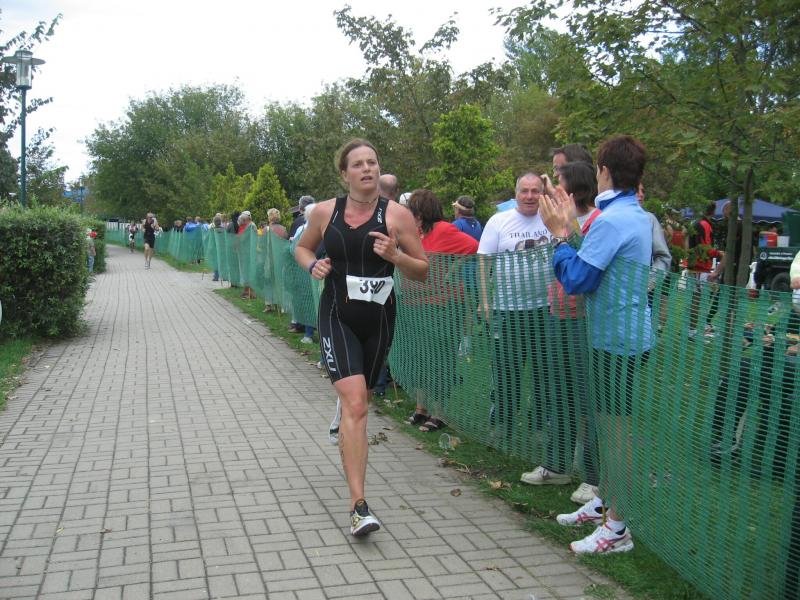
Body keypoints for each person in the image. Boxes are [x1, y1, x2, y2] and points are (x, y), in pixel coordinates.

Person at [295, 138, 428, 537]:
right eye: (358, 164)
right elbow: (302, 249)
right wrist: (313, 265)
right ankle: (358, 506)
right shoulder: (325, 212)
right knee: (356, 403)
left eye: (373, 162)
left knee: (361, 402)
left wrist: (396, 256)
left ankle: (347, 417)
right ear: (344, 174)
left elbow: (422, 270)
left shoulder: (397, 215)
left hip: (379, 320)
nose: (368, 168)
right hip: (337, 314)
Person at [539, 134, 653, 554]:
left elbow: (577, 279)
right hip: (624, 335)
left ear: (604, 172)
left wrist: (559, 237)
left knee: (615, 433)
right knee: (608, 427)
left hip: (617, 342)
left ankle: (617, 528)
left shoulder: (612, 220)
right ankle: (605, 501)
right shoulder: (633, 214)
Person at [520, 161, 601, 506]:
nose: (549, 192)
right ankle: (557, 465)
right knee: (559, 393)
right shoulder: (559, 224)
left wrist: (565, 229)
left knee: (588, 400)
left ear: (573, 191)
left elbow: (584, 267)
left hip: (585, 321)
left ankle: (595, 478)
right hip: (558, 315)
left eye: (557, 185)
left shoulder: (595, 222)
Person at [478, 173, 553, 448]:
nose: (530, 196)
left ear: (542, 193)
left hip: (545, 310)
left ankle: (539, 427)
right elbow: (483, 262)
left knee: (544, 372)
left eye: (535, 191)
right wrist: (485, 301)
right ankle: (502, 424)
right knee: (506, 372)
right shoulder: (499, 221)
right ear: (516, 192)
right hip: (507, 310)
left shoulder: (550, 219)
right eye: (525, 191)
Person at [403, 188, 479, 432]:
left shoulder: (444, 230)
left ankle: (439, 413)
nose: (408, 215)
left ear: (421, 213)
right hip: (415, 305)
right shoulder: (414, 233)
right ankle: (421, 408)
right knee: (419, 358)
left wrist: (452, 269)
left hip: (442, 308)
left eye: (412, 211)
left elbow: (475, 247)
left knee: (439, 359)